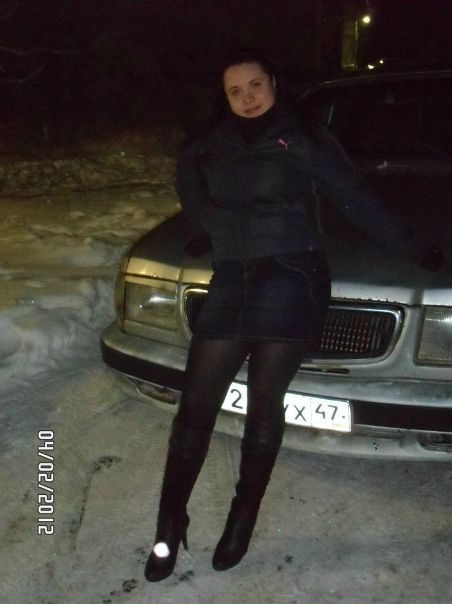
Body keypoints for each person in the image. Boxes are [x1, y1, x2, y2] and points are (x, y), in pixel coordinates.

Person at [144, 48, 442, 582]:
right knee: (195, 408)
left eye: (255, 85)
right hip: (233, 279)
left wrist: (414, 248)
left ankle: (242, 518)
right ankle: (169, 525)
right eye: (235, 91)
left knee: (265, 405)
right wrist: (212, 232)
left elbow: (353, 197)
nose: (247, 98)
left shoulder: (301, 138)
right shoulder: (208, 143)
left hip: (291, 276)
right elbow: (191, 190)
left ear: (274, 84)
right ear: (225, 97)